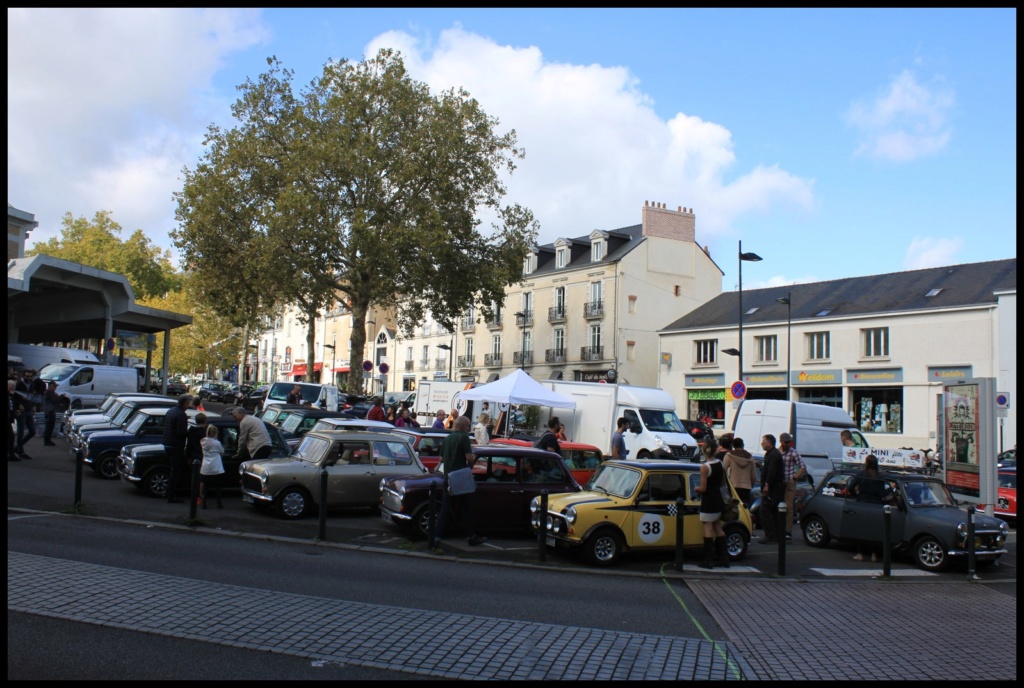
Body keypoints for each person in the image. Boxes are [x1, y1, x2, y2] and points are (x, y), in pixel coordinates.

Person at [436, 415, 487, 547]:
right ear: (463, 426)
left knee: (445, 509)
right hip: (460, 478)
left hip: (448, 477)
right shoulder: (463, 437)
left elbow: (441, 460)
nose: (469, 428)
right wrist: (469, 467)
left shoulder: (447, 439)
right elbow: (469, 457)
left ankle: (436, 538)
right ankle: (471, 536)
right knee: (467, 508)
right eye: (468, 426)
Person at [694, 439, 729, 569]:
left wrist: (696, 488)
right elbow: (722, 482)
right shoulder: (720, 463)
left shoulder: (705, 467)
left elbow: (703, 488)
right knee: (718, 528)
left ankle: (707, 560)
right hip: (718, 498)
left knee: (707, 528)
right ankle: (724, 558)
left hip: (708, 500)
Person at [850, 454, 884, 562]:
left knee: (860, 529)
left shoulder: (861, 474)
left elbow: (850, 486)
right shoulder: (879, 476)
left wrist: (856, 496)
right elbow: (882, 493)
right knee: (874, 531)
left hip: (862, 503)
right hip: (876, 504)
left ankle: (860, 553)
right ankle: (874, 554)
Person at [162, 394, 192, 503]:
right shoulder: (181, 415)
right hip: (176, 445)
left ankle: (168, 492)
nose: (189, 405)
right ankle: (172, 495)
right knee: (176, 471)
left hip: (167, 443)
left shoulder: (171, 411)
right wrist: (189, 433)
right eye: (188, 403)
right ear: (184, 403)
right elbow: (181, 432)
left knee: (172, 469)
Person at [779, 432, 807, 541]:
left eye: (788, 442)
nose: (787, 444)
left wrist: (794, 478)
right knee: (779, 505)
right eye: (785, 442)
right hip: (779, 482)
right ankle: (779, 528)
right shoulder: (777, 452)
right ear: (781, 441)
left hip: (790, 481)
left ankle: (788, 530)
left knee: (788, 506)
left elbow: (802, 466)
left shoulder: (793, 452)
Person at [758, 434, 784, 544]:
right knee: (774, 512)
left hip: (773, 488)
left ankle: (770, 535)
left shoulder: (773, 455)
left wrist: (767, 484)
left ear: (769, 443)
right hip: (775, 487)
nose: (762, 443)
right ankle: (777, 535)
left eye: (763, 441)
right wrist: (760, 467)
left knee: (765, 511)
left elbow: (772, 471)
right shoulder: (771, 454)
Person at [723, 437, 756, 508]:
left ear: (733, 445)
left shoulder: (729, 455)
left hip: (733, 486)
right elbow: (753, 476)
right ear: (743, 445)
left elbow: (723, 471)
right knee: (745, 509)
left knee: (733, 509)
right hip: (746, 487)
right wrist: (751, 485)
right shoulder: (750, 457)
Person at [199, 423, 225, 509]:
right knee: (218, 486)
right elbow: (222, 451)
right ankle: (219, 503)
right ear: (215, 434)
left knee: (206, 486)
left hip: (206, 466)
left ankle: (204, 502)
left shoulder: (203, 441)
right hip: (216, 466)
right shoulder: (217, 443)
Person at [186, 412, 209, 501]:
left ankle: (193, 492)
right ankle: (199, 494)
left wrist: (187, 456)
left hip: (192, 455)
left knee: (194, 475)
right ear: (205, 421)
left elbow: (189, 445)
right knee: (201, 477)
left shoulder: (191, 431)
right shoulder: (204, 432)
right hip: (201, 456)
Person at [14, 369, 37, 459]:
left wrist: (34, 406)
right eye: (27, 376)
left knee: (32, 431)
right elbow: (14, 397)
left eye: (30, 376)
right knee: (21, 431)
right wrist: (19, 405)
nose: (29, 378)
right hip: (21, 411)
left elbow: (32, 396)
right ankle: (21, 451)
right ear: (23, 376)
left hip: (28, 410)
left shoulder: (31, 385)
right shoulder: (19, 385)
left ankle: (17, 447)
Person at [42, 380, 60, 446]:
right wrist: (61, 396)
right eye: (54, 386)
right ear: (51, 386)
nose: (55, 387)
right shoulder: (50, 392)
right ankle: (47, 441)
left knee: (50, 426)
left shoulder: (50, 392)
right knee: (49, 426)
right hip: (50, 411)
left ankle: (48, 440)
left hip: (49, 410)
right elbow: (55, 400)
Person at [8, 379, 22, 462]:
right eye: (11, 386)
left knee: (10, 437)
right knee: (11, 437)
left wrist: (15, 411)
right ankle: (11, 455)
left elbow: (11, 407)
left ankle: (11, 453)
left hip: (9, 419)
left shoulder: (11, 396)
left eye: (14, 386)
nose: (13, 388)